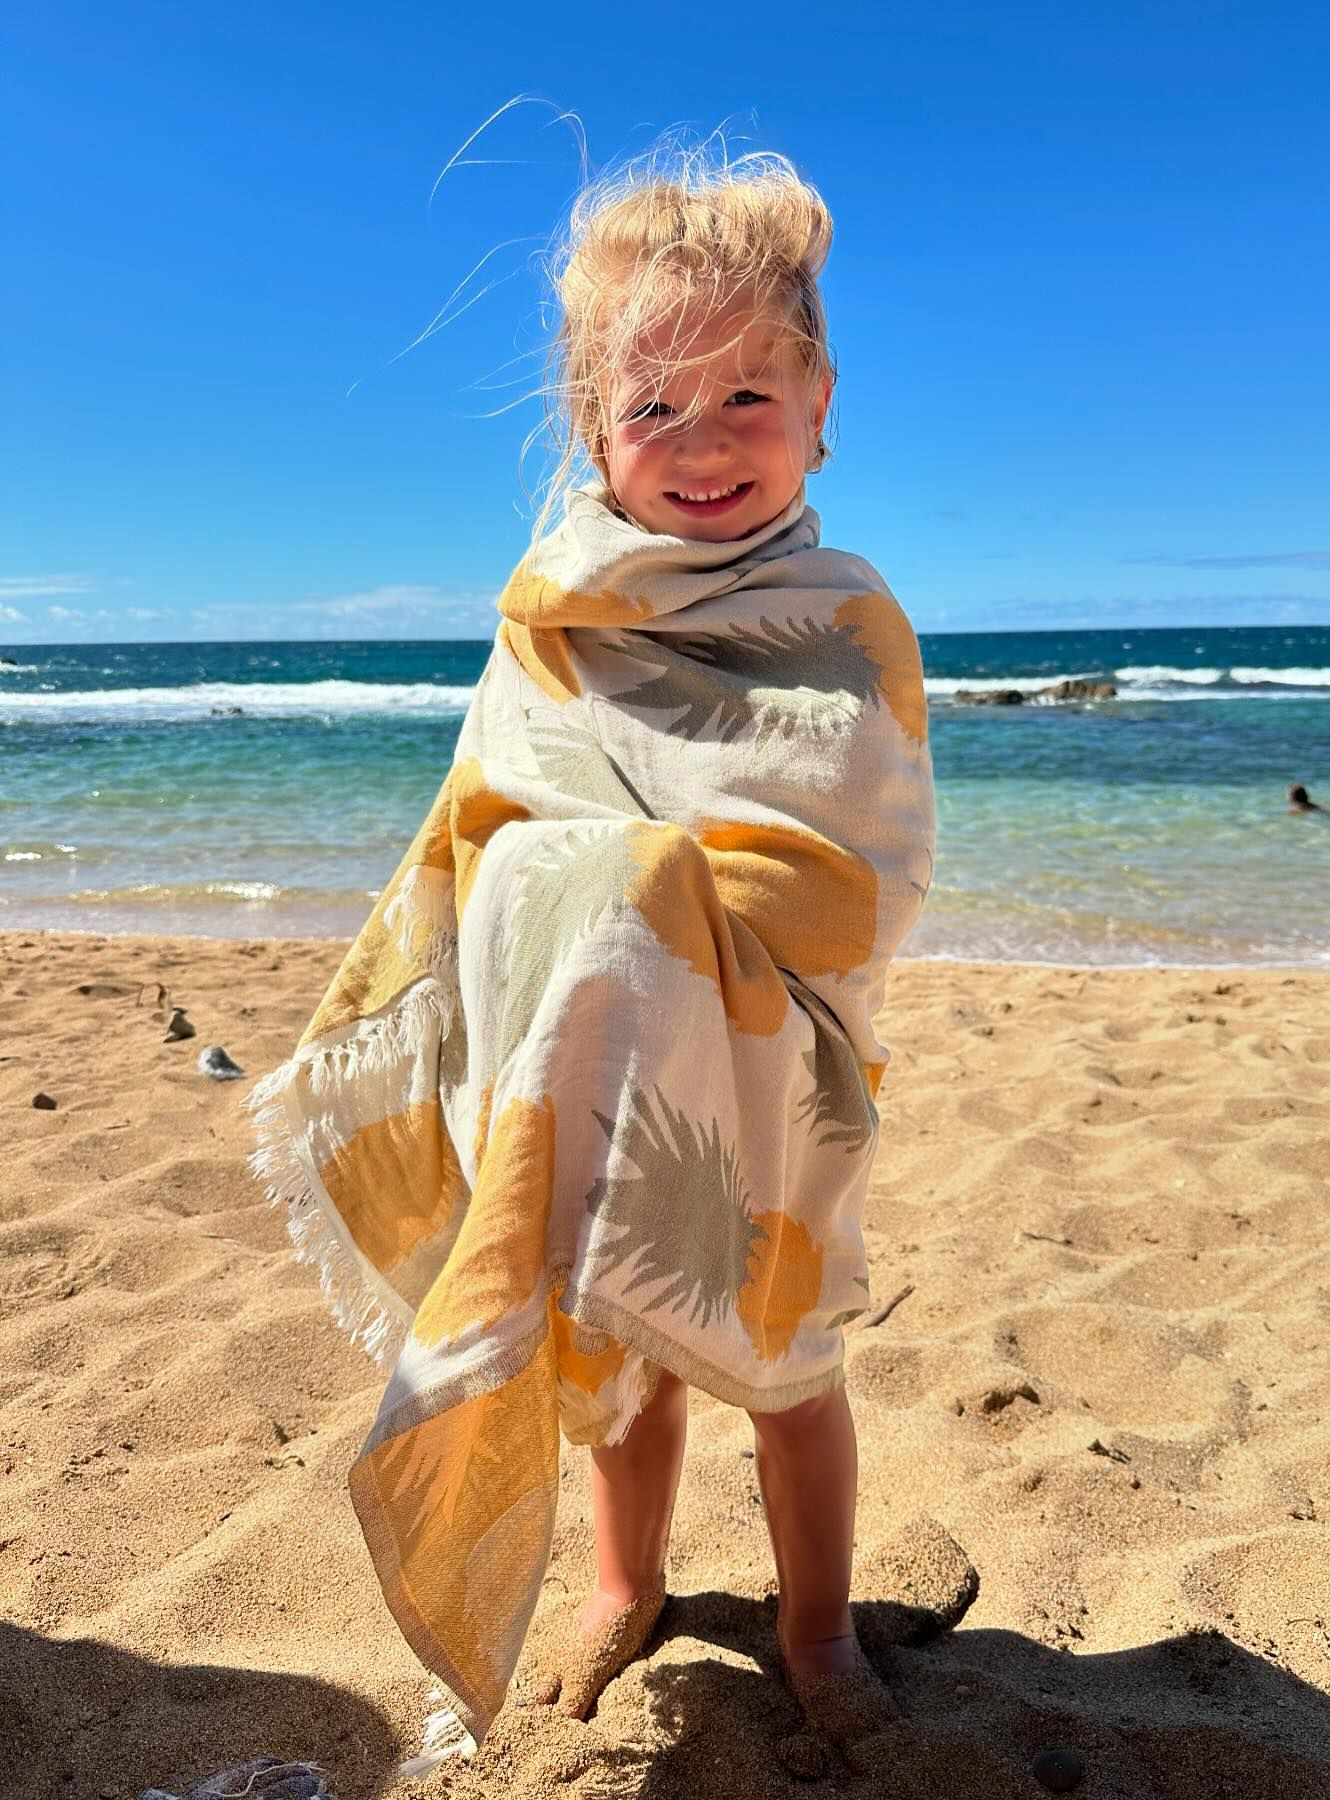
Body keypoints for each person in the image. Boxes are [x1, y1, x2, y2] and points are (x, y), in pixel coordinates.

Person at [246, 142, 935, 1769]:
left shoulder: (844, 617)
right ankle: (625, 1582)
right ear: (590, 431)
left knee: (786, 1362)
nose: (702, 448)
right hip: (595, 1058)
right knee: (623, 1359)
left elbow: (862, 862)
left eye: (748, 400)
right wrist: (604, 895)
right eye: (653, 411)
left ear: (822, 399)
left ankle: (818, 1625)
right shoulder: (553, 614)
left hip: (772, 1060)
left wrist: (688, 907)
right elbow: (496, 831)